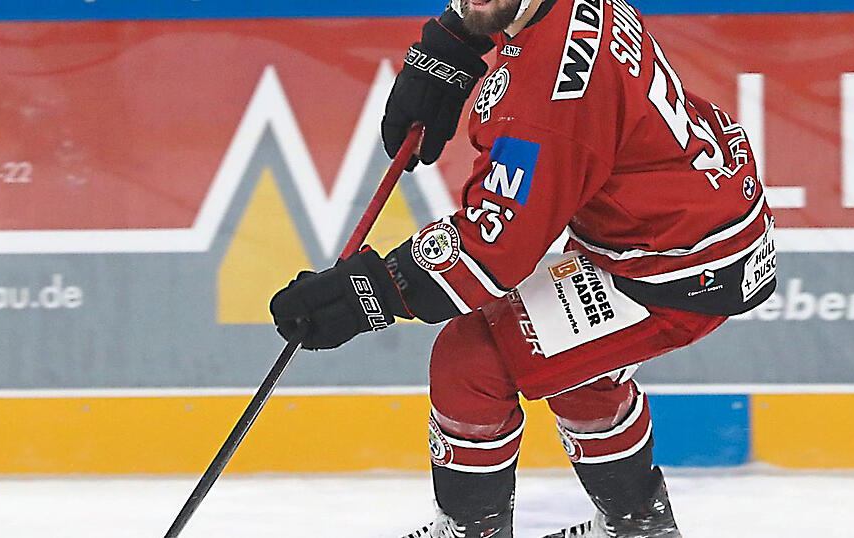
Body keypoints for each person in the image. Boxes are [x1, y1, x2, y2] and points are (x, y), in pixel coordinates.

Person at [269, 0, 777, 535]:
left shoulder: (546, 99)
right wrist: (453, 40)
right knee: (573, 368)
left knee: (472, 362)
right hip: (683, 222)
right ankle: (639, 527)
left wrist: (366, 292)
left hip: (679, 265)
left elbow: (489, 253)